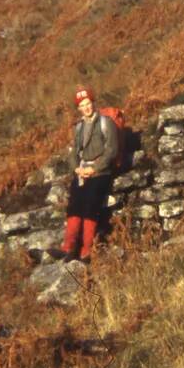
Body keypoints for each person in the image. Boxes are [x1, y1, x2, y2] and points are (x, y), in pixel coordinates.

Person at [59, 86, 118, 262]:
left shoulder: (105, 123)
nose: (86, 108)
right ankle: (68, 247)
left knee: (91, 205)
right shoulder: (78, 128)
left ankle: (86, 249)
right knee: (75, 205)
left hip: (101, 172)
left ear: (93, 103)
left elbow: (112, 150)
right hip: (82, 172)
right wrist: (76, 168)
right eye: (82, 105)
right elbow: (73, 153)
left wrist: (94, 169)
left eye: (88, 103)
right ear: (79, 108)